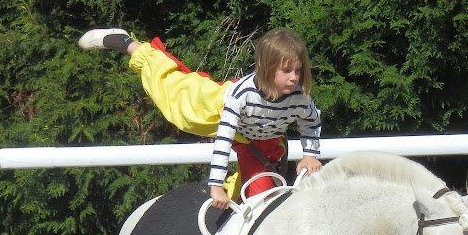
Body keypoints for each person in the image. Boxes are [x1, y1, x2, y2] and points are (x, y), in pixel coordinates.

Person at [78, 27, 323, 209]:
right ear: (267, 68)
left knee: (264, 198)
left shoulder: (299, 96)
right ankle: (128, 44)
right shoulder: (241, 95)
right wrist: (215, 185)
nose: (294, 77)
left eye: (298, 70)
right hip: (216, 106)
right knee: (176, 94)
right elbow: (223, 141)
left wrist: (310, 156)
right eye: (287, 71)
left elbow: (310, 122)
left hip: (259, 137)